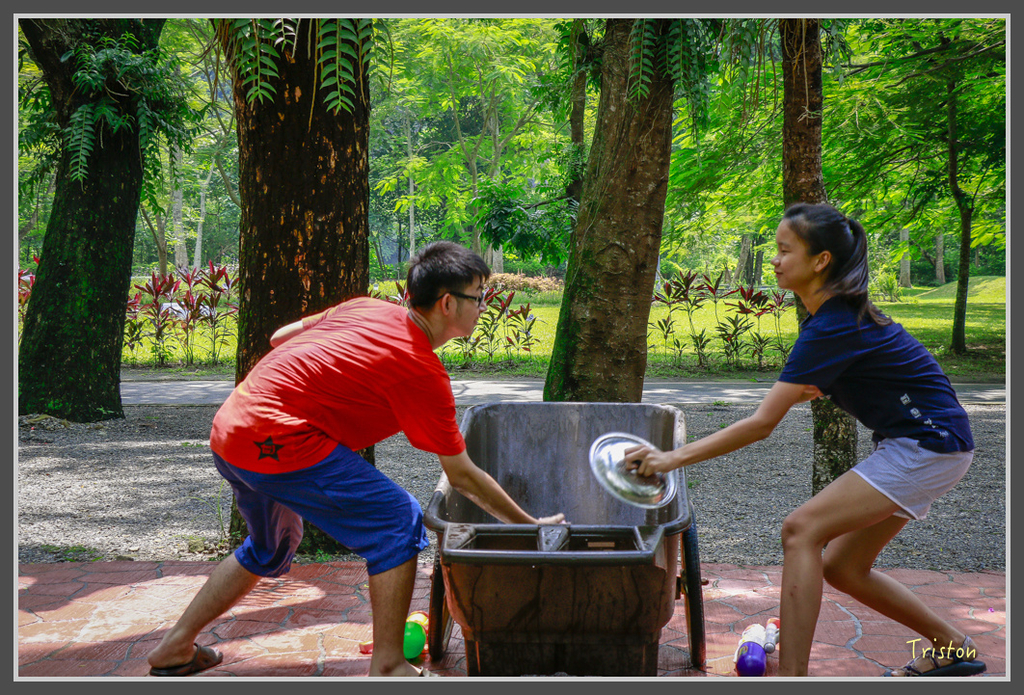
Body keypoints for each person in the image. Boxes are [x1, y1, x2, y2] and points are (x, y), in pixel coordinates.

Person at [146, 241, 565, 678]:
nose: (482, 306)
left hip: (231, 429)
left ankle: (175, 646)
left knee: (269, 549)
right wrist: (528, 526)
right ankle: (387, 666)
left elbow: (280, 337)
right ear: (446, 303)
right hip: (282, 440)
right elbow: (462, 476)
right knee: (398, 519)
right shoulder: (421, 372)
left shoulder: (366, 307)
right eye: (478, 297)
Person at [625, 203, 985, 678]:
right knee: (843, 568)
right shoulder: (833, 320)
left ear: (820, 261)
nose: (773, 260)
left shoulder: (834, 325)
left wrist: (669, 458)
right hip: (932, 443)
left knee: (801, 530)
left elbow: (760, 424)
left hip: (927, 444)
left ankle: (792, 678)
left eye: (783, 250)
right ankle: (953, 646)